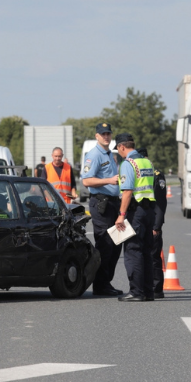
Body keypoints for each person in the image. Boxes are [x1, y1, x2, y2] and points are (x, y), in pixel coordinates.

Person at [112, 133, 158, 301]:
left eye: (118, 150)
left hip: (135, 212)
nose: (119, 153)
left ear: (122, 147)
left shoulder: (128, 163)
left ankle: (136, 292)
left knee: (133, 251)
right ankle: (148, 292)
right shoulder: (147, 161)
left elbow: (127, 192)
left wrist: (121, 215)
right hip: (148, 211)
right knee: (146, 252)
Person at [80, 123, 124, 296]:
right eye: (103, 134)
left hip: (113, 203)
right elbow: (86, 181)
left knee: (117, 243)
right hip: (101, 204)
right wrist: (108, 181)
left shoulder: (108, 154)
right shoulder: (94, 155)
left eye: (108, 133)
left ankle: (106, 282)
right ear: (96, 136)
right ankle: (100, 285)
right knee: (105, 244)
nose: (106, 136)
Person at [148, 165, 169, 299]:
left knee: (154, 257)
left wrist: (156, 226)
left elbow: (161, 203)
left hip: (152, 224)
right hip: (143, 222)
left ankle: (156, 289)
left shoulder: (156, 175)